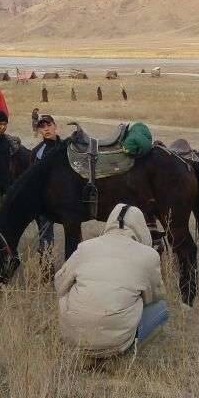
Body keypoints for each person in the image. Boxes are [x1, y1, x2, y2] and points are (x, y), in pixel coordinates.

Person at [55, 204, 168, 358]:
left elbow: (59, 284)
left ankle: (86, 353)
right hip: (117, 345)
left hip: (74, 339)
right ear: (141, 227)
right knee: (161, 308)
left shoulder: (85, 247)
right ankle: (123, 355)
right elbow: (154, 298)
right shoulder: (149, 256)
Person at [30, 114, 61, 260]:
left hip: (66, 201)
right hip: (46, 203)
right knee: (46, 238)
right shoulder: (37, 151)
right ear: (39, 131)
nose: (46, 129)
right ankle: (46, 271)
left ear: (55, 126)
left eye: (49, 125)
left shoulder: (66, 148)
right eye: (42, 127)